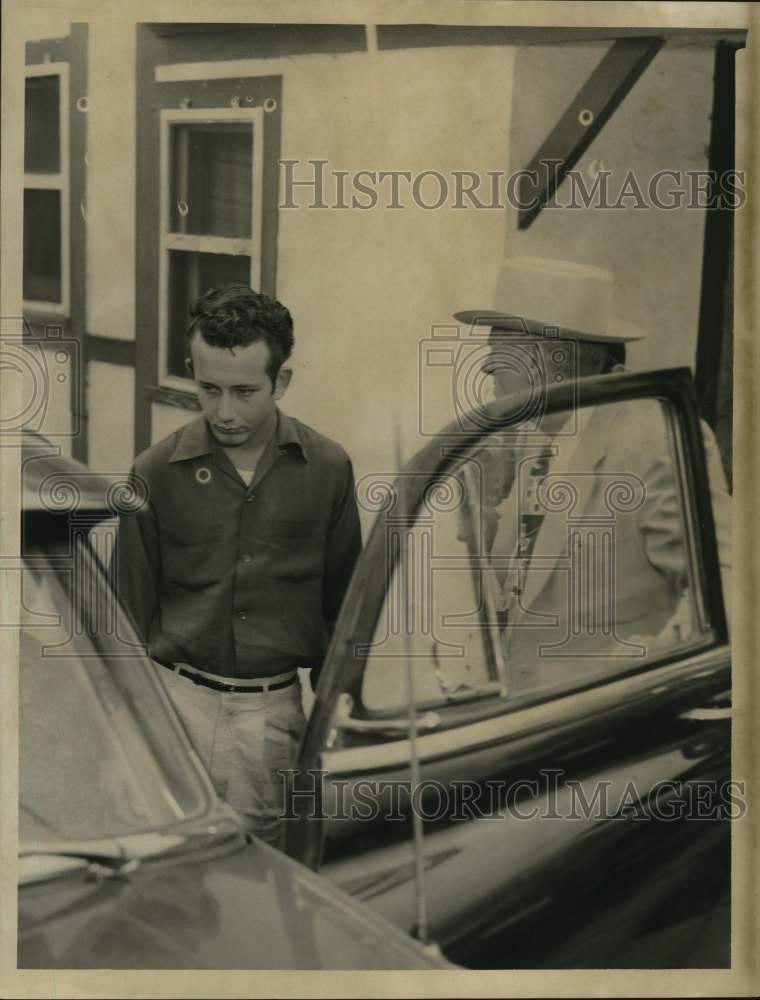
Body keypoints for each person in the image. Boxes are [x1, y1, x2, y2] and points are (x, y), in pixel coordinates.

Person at [112, 283, 362, 846]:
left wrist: (341, 717)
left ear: (283, 381)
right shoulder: (153, 473)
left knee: (264, 874)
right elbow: (125, 619)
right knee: (168, 875)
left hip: (272, 717)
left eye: (246, 391)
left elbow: (346, 611)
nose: (225, 412)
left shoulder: (328, 469)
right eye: (209, 389)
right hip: (176, 708)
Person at [454, 256, 731, 694]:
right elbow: (524, 598)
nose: (486, 371)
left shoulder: (653, 435)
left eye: (498, 353)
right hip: (527, 727)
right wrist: (481, 515)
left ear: (550, 359)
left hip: (617, 740)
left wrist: (638, 680)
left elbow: (728, 589)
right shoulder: (531, 446)